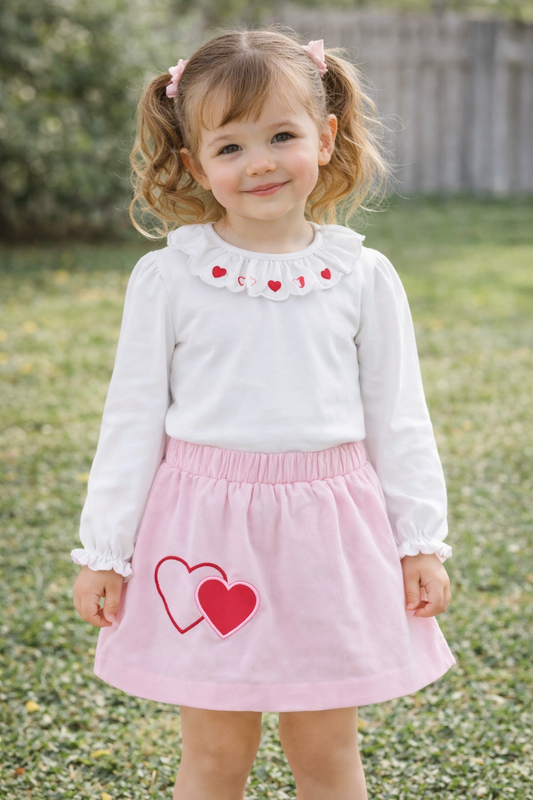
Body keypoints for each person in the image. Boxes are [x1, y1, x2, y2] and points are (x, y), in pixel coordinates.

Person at [72, 28, 455, 800]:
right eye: (230, 146)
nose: (260, 163)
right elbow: (131, 421)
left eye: (281, 136)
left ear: (325, 136)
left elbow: (398, 418)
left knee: (325, 751)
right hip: (204, 537)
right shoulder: (168, 278)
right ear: (195, 164)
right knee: (216, 752)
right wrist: (106, 551)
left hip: (329, 535)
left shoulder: (362, 276)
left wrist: (419, 542)